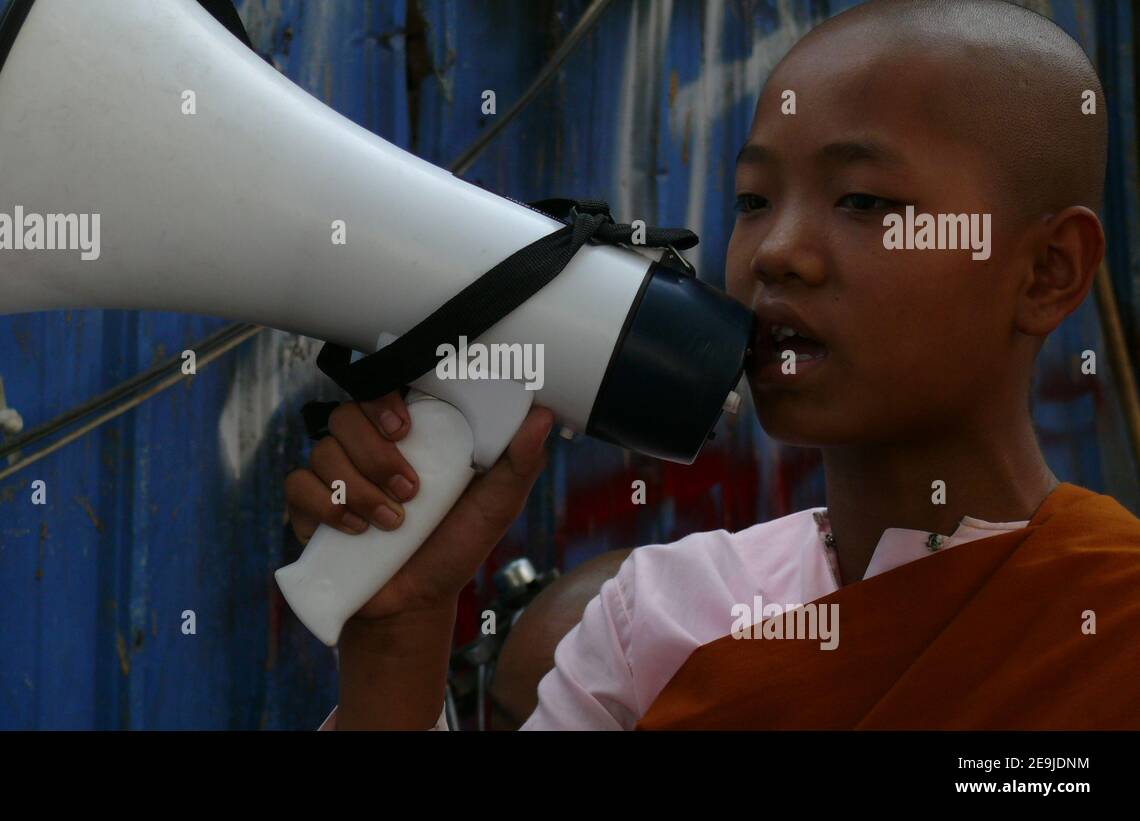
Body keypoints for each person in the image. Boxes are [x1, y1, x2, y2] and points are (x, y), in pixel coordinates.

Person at [285, 0, 1140, 730]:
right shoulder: (654, 618)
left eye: (864, 201)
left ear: (1048, 270)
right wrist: (399, 636)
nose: (776, 253)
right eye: (754, 201)